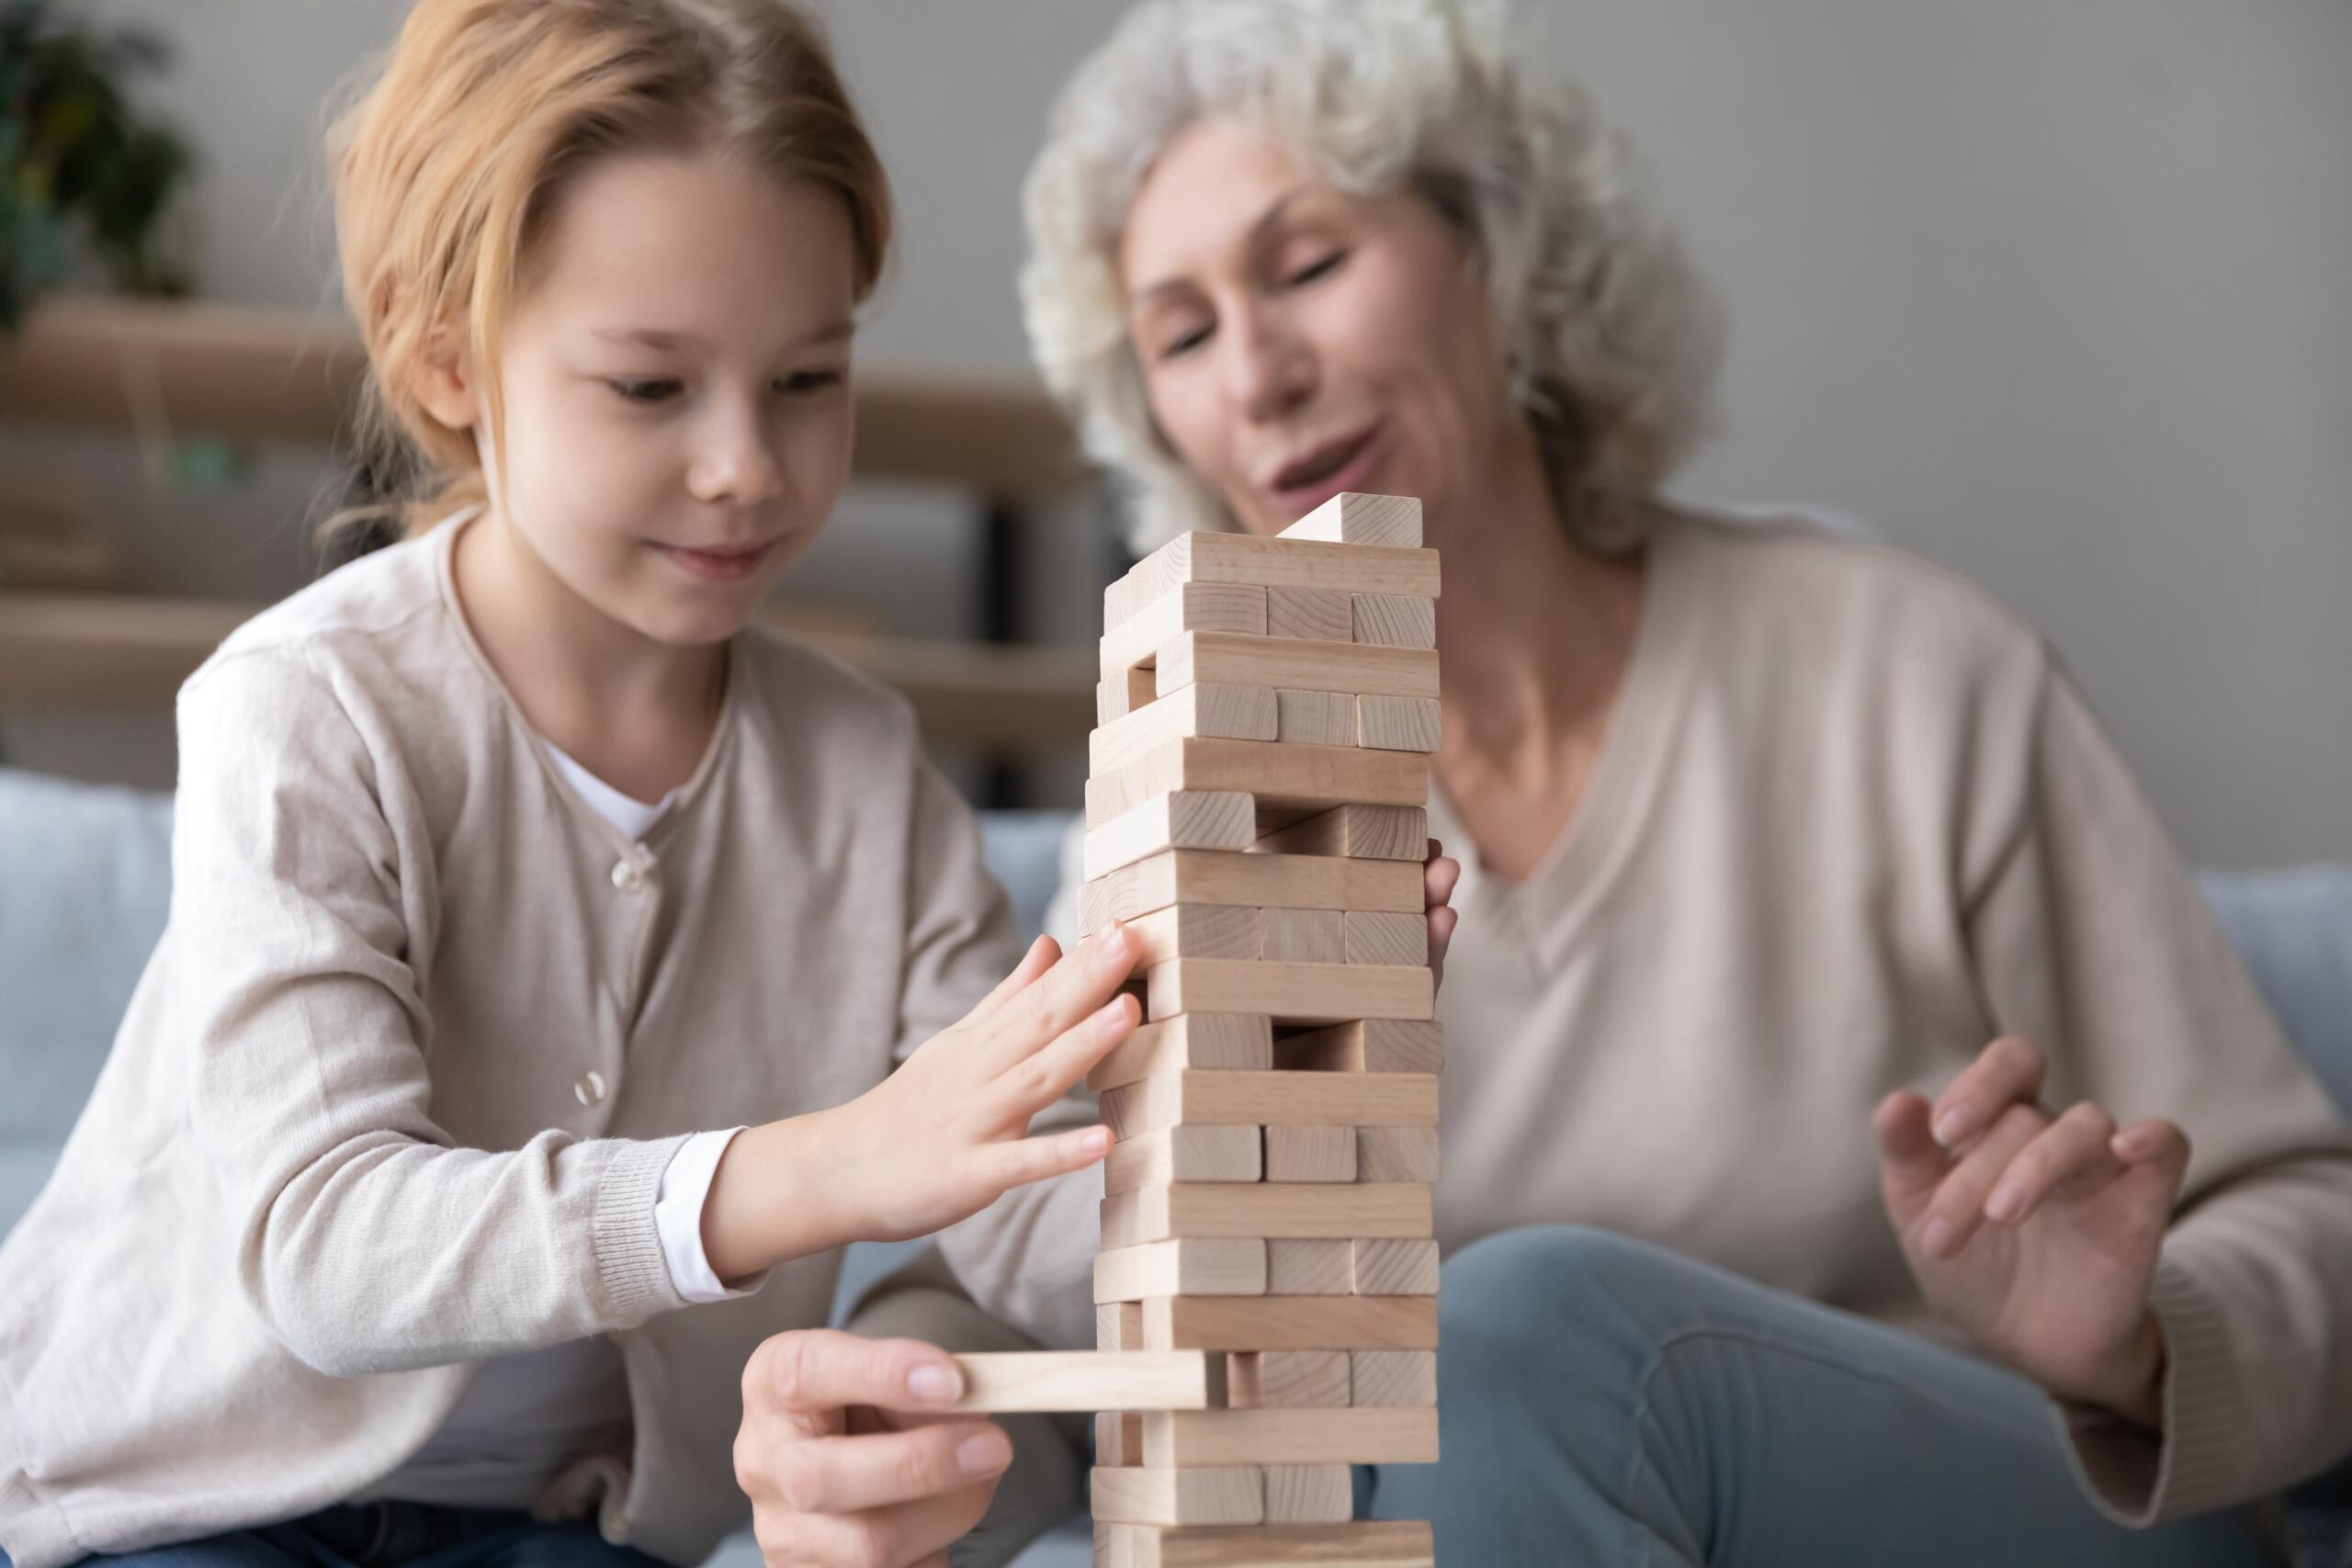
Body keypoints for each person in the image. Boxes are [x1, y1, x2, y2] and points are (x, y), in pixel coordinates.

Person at [1002, 1, 2352, 1562]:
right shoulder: (1192, 796)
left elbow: (2311, 1216)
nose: (1259, 373)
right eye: (1180, 333)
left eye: (1309, 265)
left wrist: (2130, 1343)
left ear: (1500, 260)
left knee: (1515, 1321)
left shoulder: (1900, 670)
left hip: (2035, 1502)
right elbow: (1072, 1294)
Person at [0, 5, 1155, 1566]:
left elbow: (1017, 1203)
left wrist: (1273, 1065)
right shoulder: (309, 713)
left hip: (568, 1531)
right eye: (650, 388)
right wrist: (808, 1168)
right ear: (444, 358)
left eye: (808, 377)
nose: (746, 462)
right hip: (184, 1507)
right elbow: (328, 1249)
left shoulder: (865, 778)